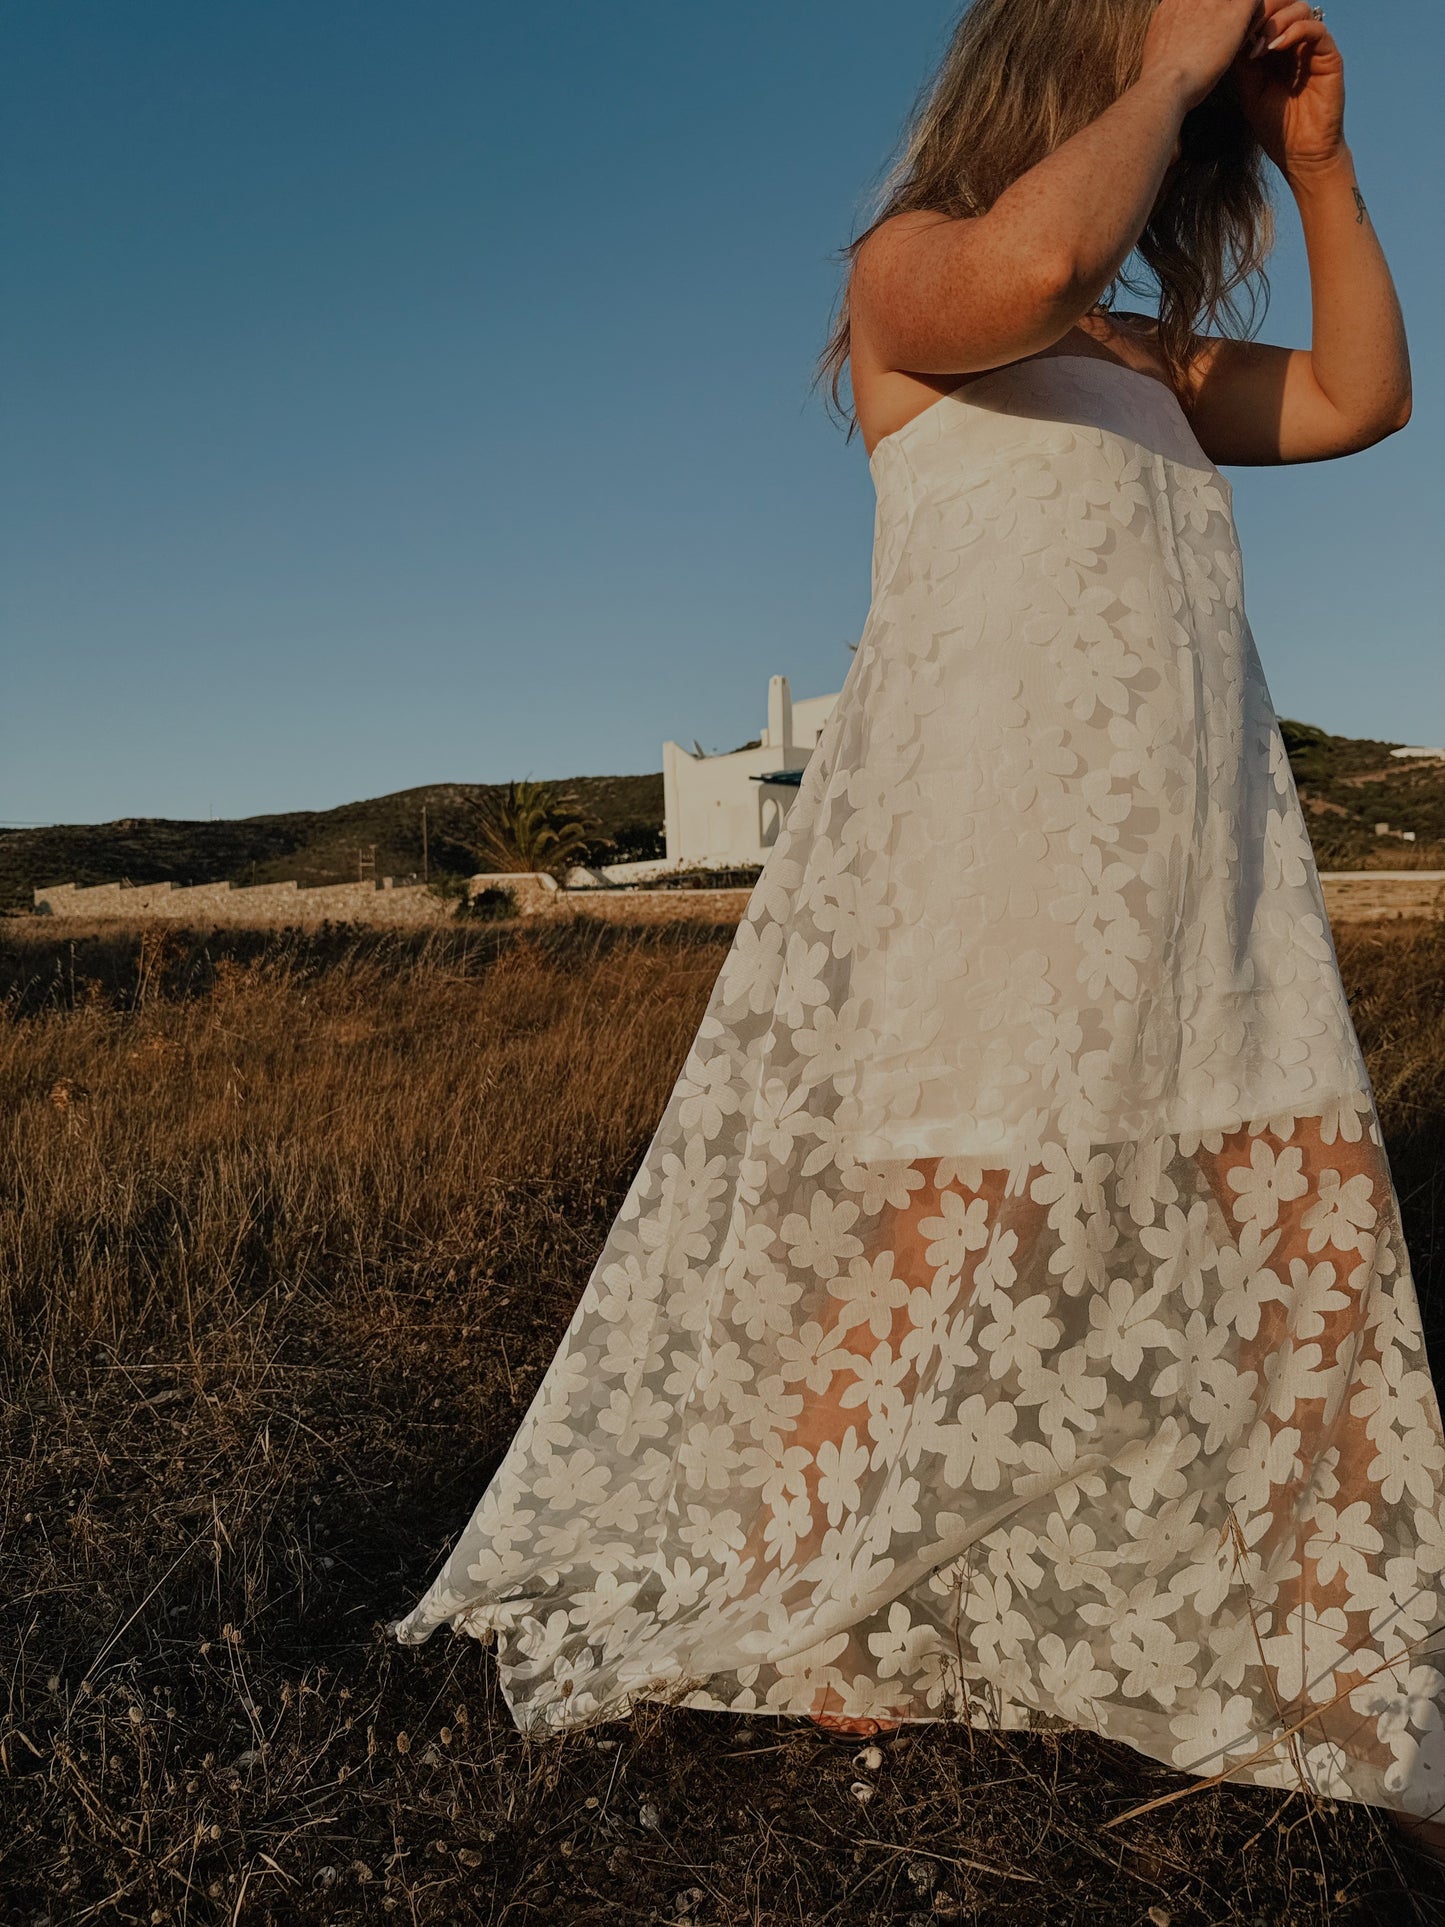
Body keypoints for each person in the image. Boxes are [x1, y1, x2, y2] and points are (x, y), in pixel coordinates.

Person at [396, 0, 1445, 1859]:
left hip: (1201, 851)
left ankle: (1344, 1641)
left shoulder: (1149, 359)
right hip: (994, 841)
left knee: (1297, 1199)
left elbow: (1367, 397)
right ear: (1066, 70)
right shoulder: (914, 282)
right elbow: (1033, 251)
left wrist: (1318, 163)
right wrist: (1172, 64)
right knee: (939, 1226)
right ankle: (812, 1595)